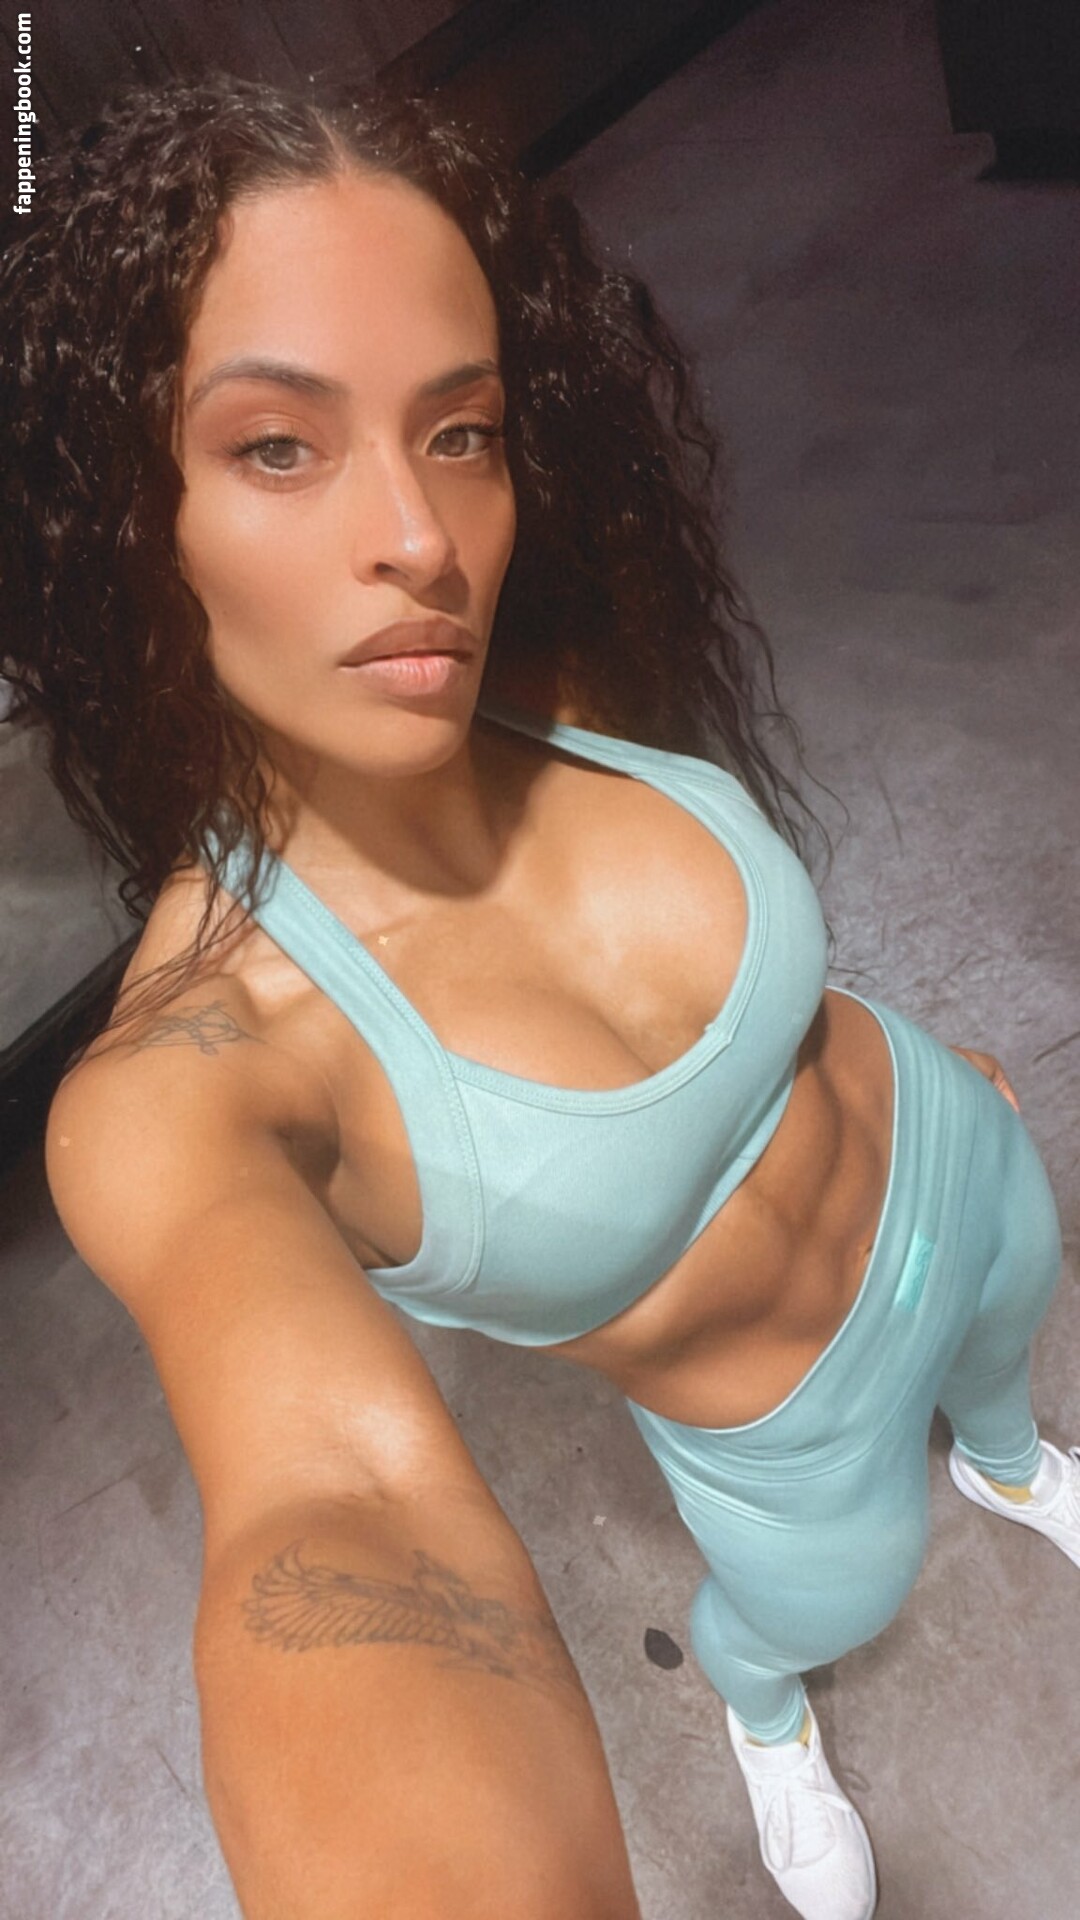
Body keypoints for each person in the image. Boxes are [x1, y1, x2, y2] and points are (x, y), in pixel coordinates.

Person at [2, 72, 1074, 1920]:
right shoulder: (193, 1080)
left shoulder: (549, 671)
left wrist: (922, 1083)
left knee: (1012, 1348)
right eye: (278, 446)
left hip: (961, 1166)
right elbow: (339, 1515)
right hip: (784, 1439)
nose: (422, 538)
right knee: (816, 1606)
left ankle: (1013, 1460)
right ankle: (762, 1717)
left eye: (462, 433)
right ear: (125, 519)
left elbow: (745, 985)